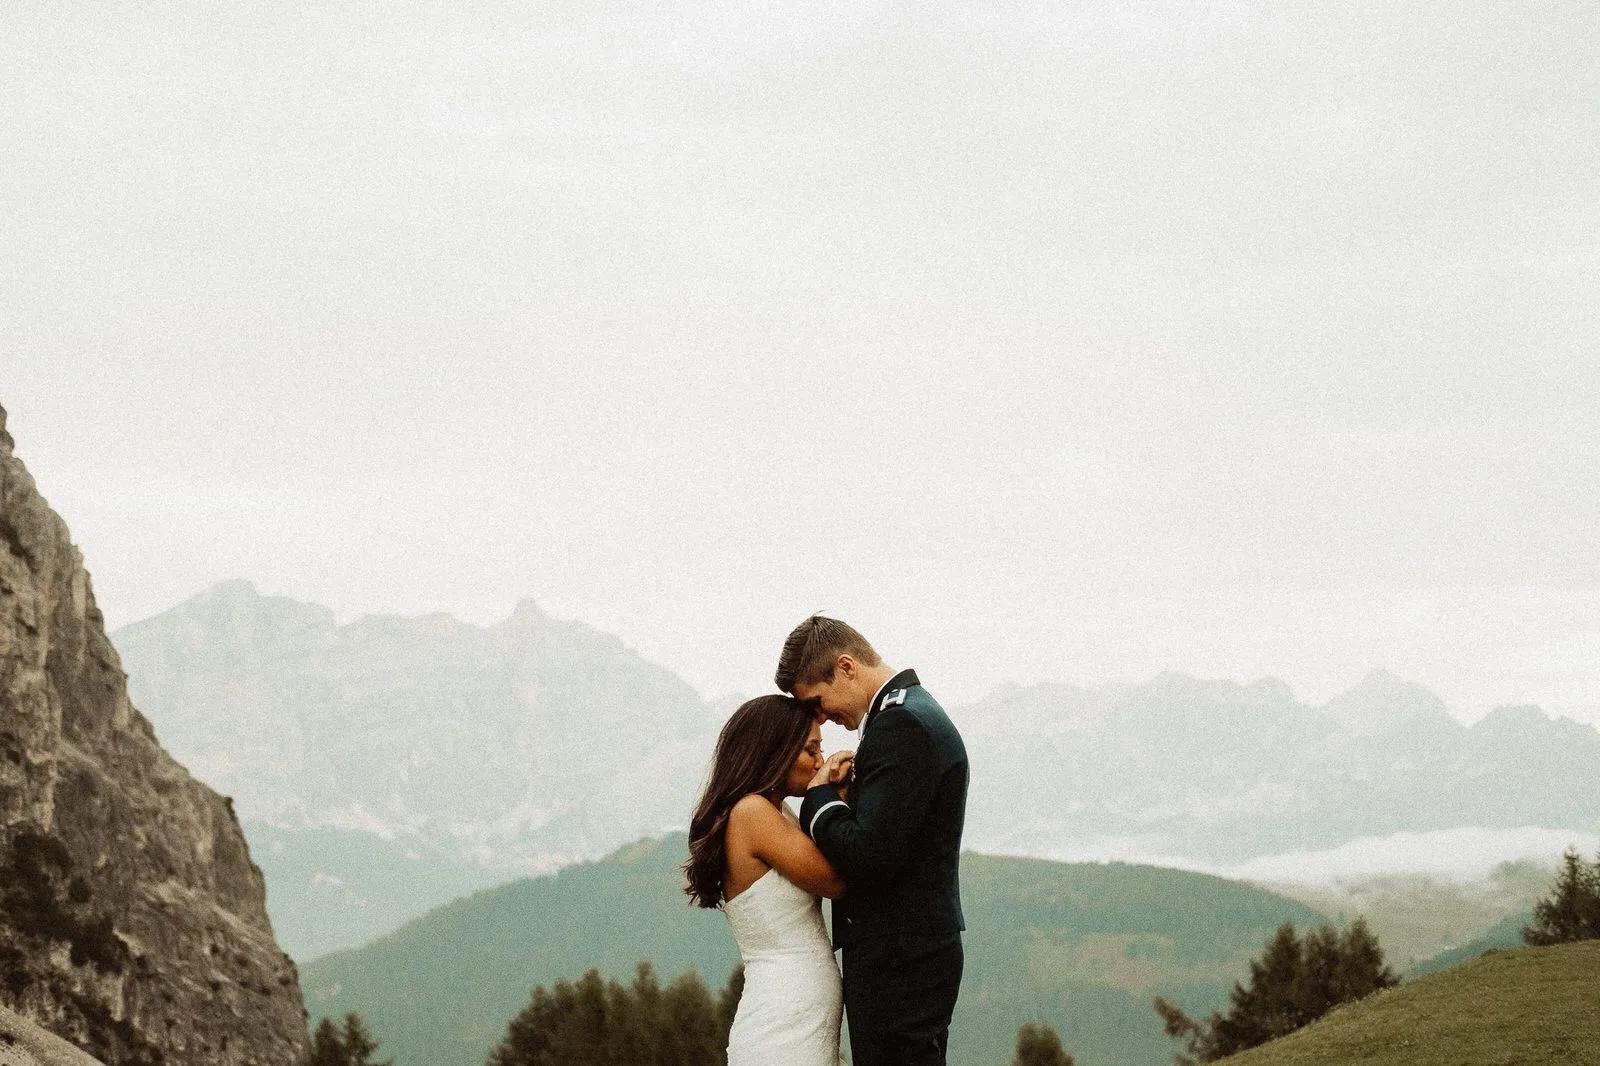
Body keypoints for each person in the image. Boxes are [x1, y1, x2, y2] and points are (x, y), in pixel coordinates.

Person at [779, 615, 969, 1066]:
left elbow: (867, 853)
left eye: (817, 700)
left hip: (898, 955)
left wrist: (819, 797)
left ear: (846, 666)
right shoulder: (910, 713)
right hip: (912, 950)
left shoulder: (900, 725)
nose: (821, 717)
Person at [684, 695, 850, 1066]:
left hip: (799, 1017)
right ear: (777, 751)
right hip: (781, 1026)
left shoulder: (779, 813)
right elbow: (836, 879)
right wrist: (827, 795)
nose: (820, 761)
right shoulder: (752, 813)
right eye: (811, 750)